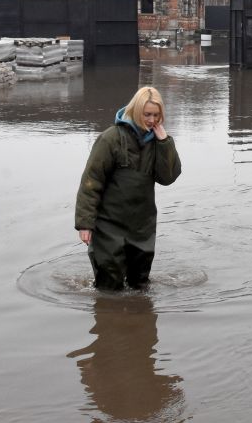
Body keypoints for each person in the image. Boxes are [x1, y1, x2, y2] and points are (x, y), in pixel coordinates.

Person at [75, 86, 182, 291]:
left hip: (142, 227)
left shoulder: (159, 142)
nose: (152, 120)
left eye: (156, 115)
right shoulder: (110, 139)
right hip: (109, 226)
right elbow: (91, 182)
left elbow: (167, 178)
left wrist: (165, 143)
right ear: (136, 110)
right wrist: (84, 224)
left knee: (140, 286)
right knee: (109, 287)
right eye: (147, 114)